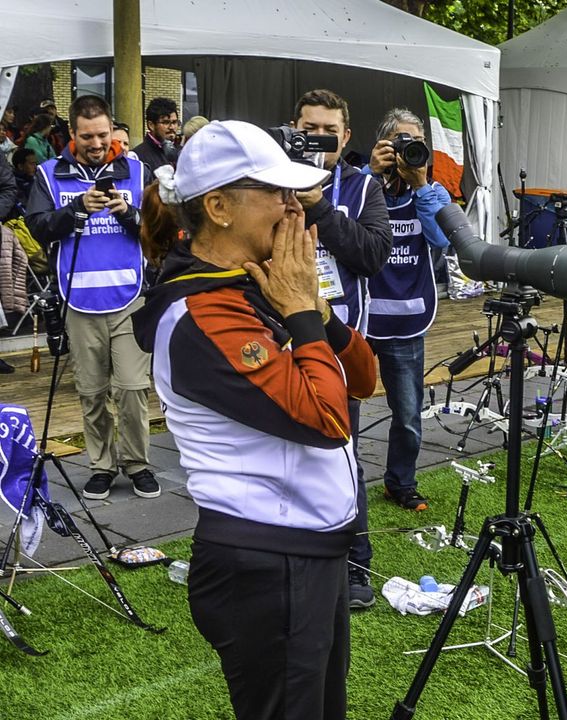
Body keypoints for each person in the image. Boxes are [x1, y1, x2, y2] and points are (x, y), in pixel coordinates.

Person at [131, 119, 375, 720]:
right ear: (217, 207)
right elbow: (327, 419)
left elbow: (364, 382)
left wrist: (314, 315)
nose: (296, 209)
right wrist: (300, 314)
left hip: (308, 553)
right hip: (267, 564)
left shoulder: (261, 287)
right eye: (277, 192)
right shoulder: (200, 312)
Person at [25, 94, 157, 500]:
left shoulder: (135, 170)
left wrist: (129, 213)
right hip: (79, 300)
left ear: (111, 129)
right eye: (87, 136)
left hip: (130, 296)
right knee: (91, 390)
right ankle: (101, 465)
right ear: (72, 134)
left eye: (102, 134)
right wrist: (78, 209)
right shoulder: (50, 174)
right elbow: (38, 228)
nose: (96, 143)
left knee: (132, 388)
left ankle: (136, 463)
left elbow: (161, 227)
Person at [344, 109, 449, 608]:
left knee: (407, 414)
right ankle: (350, 490)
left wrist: (421, 178)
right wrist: (372, 173)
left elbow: (443, 239)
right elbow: (345, 224)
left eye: (417, 142)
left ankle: (400, 483)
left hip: (408, 320)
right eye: (401, 142)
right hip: (364, 320)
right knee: (347, 414)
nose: (410, 148)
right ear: (381, 141)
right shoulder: (361, 186)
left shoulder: (430, 190)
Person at [293, 88, 392, 608]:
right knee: (284, 449)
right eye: (309, 129)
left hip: (339, 343)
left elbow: (373, 255)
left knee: (342, 451)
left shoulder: (361, 187)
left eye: (328, 132)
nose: (318, 139)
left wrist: (321, 210)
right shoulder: (272, 180)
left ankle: (356, 563)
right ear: (294, 127)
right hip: (280, 339)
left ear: (345, 136)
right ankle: (294, 554)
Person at [134, 97, 180, 174]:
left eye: (174, 122)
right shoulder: (138, 157)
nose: (172, 127)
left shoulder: (181, 152)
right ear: (151, 125)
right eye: (166, 122)